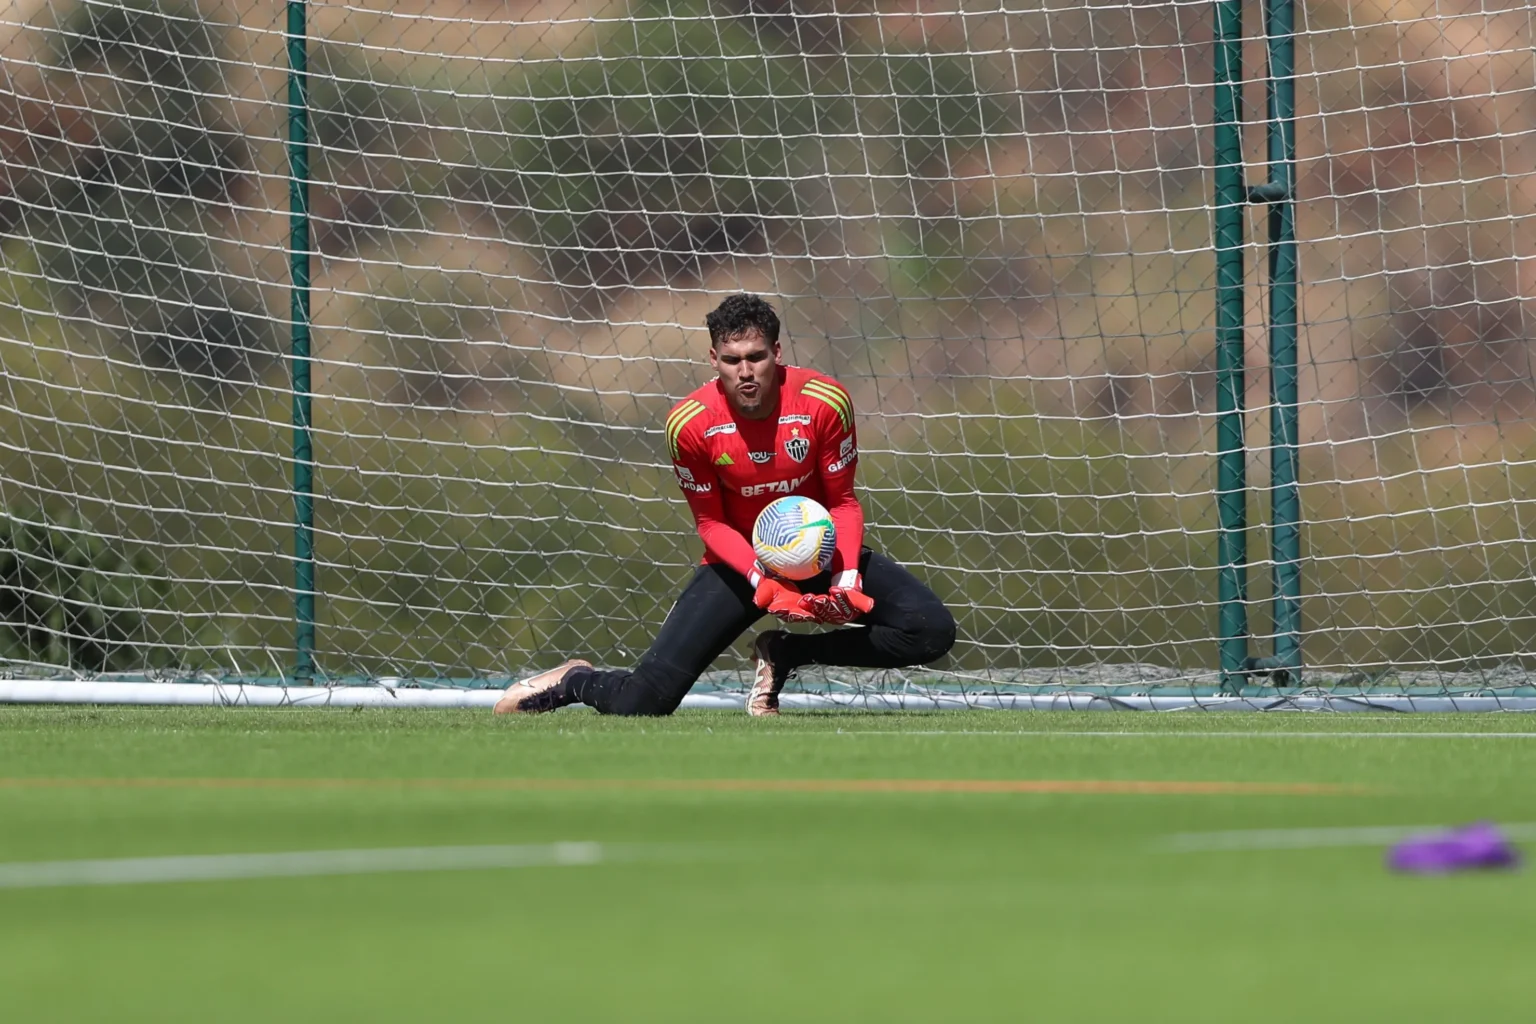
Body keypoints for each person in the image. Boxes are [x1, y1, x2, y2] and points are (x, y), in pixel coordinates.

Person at [493, 293, 955, 716]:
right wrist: (762, 581)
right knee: (644, 703)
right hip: (737, 566)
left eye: (756, 357)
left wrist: (847, 576)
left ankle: (787, 653)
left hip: (820, 556)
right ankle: (574, 681)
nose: (746, 371)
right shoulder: (689, 425)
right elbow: (711, 523)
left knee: (930, 630)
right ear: (714, 359)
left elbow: (844, 502)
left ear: (777, 353)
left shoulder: (825, 402)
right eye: (732, 360)